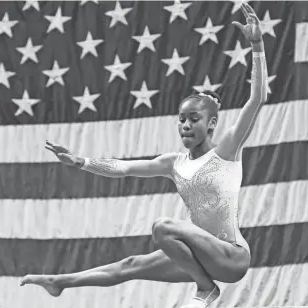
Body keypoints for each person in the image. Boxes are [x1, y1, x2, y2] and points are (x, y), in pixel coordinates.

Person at [21, 4, 268, 308]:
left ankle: (205, 288)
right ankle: (61, 282)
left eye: (194, 119)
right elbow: (123, 168)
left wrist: (256, 45)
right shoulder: (173, 163)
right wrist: (81, 161)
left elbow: (257, 98)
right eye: (182, 119)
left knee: (162, 227)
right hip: (196, 254)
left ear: (212, 123)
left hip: (230, 256)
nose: (186, 125)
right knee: (131, 265)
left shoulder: (227, 150)